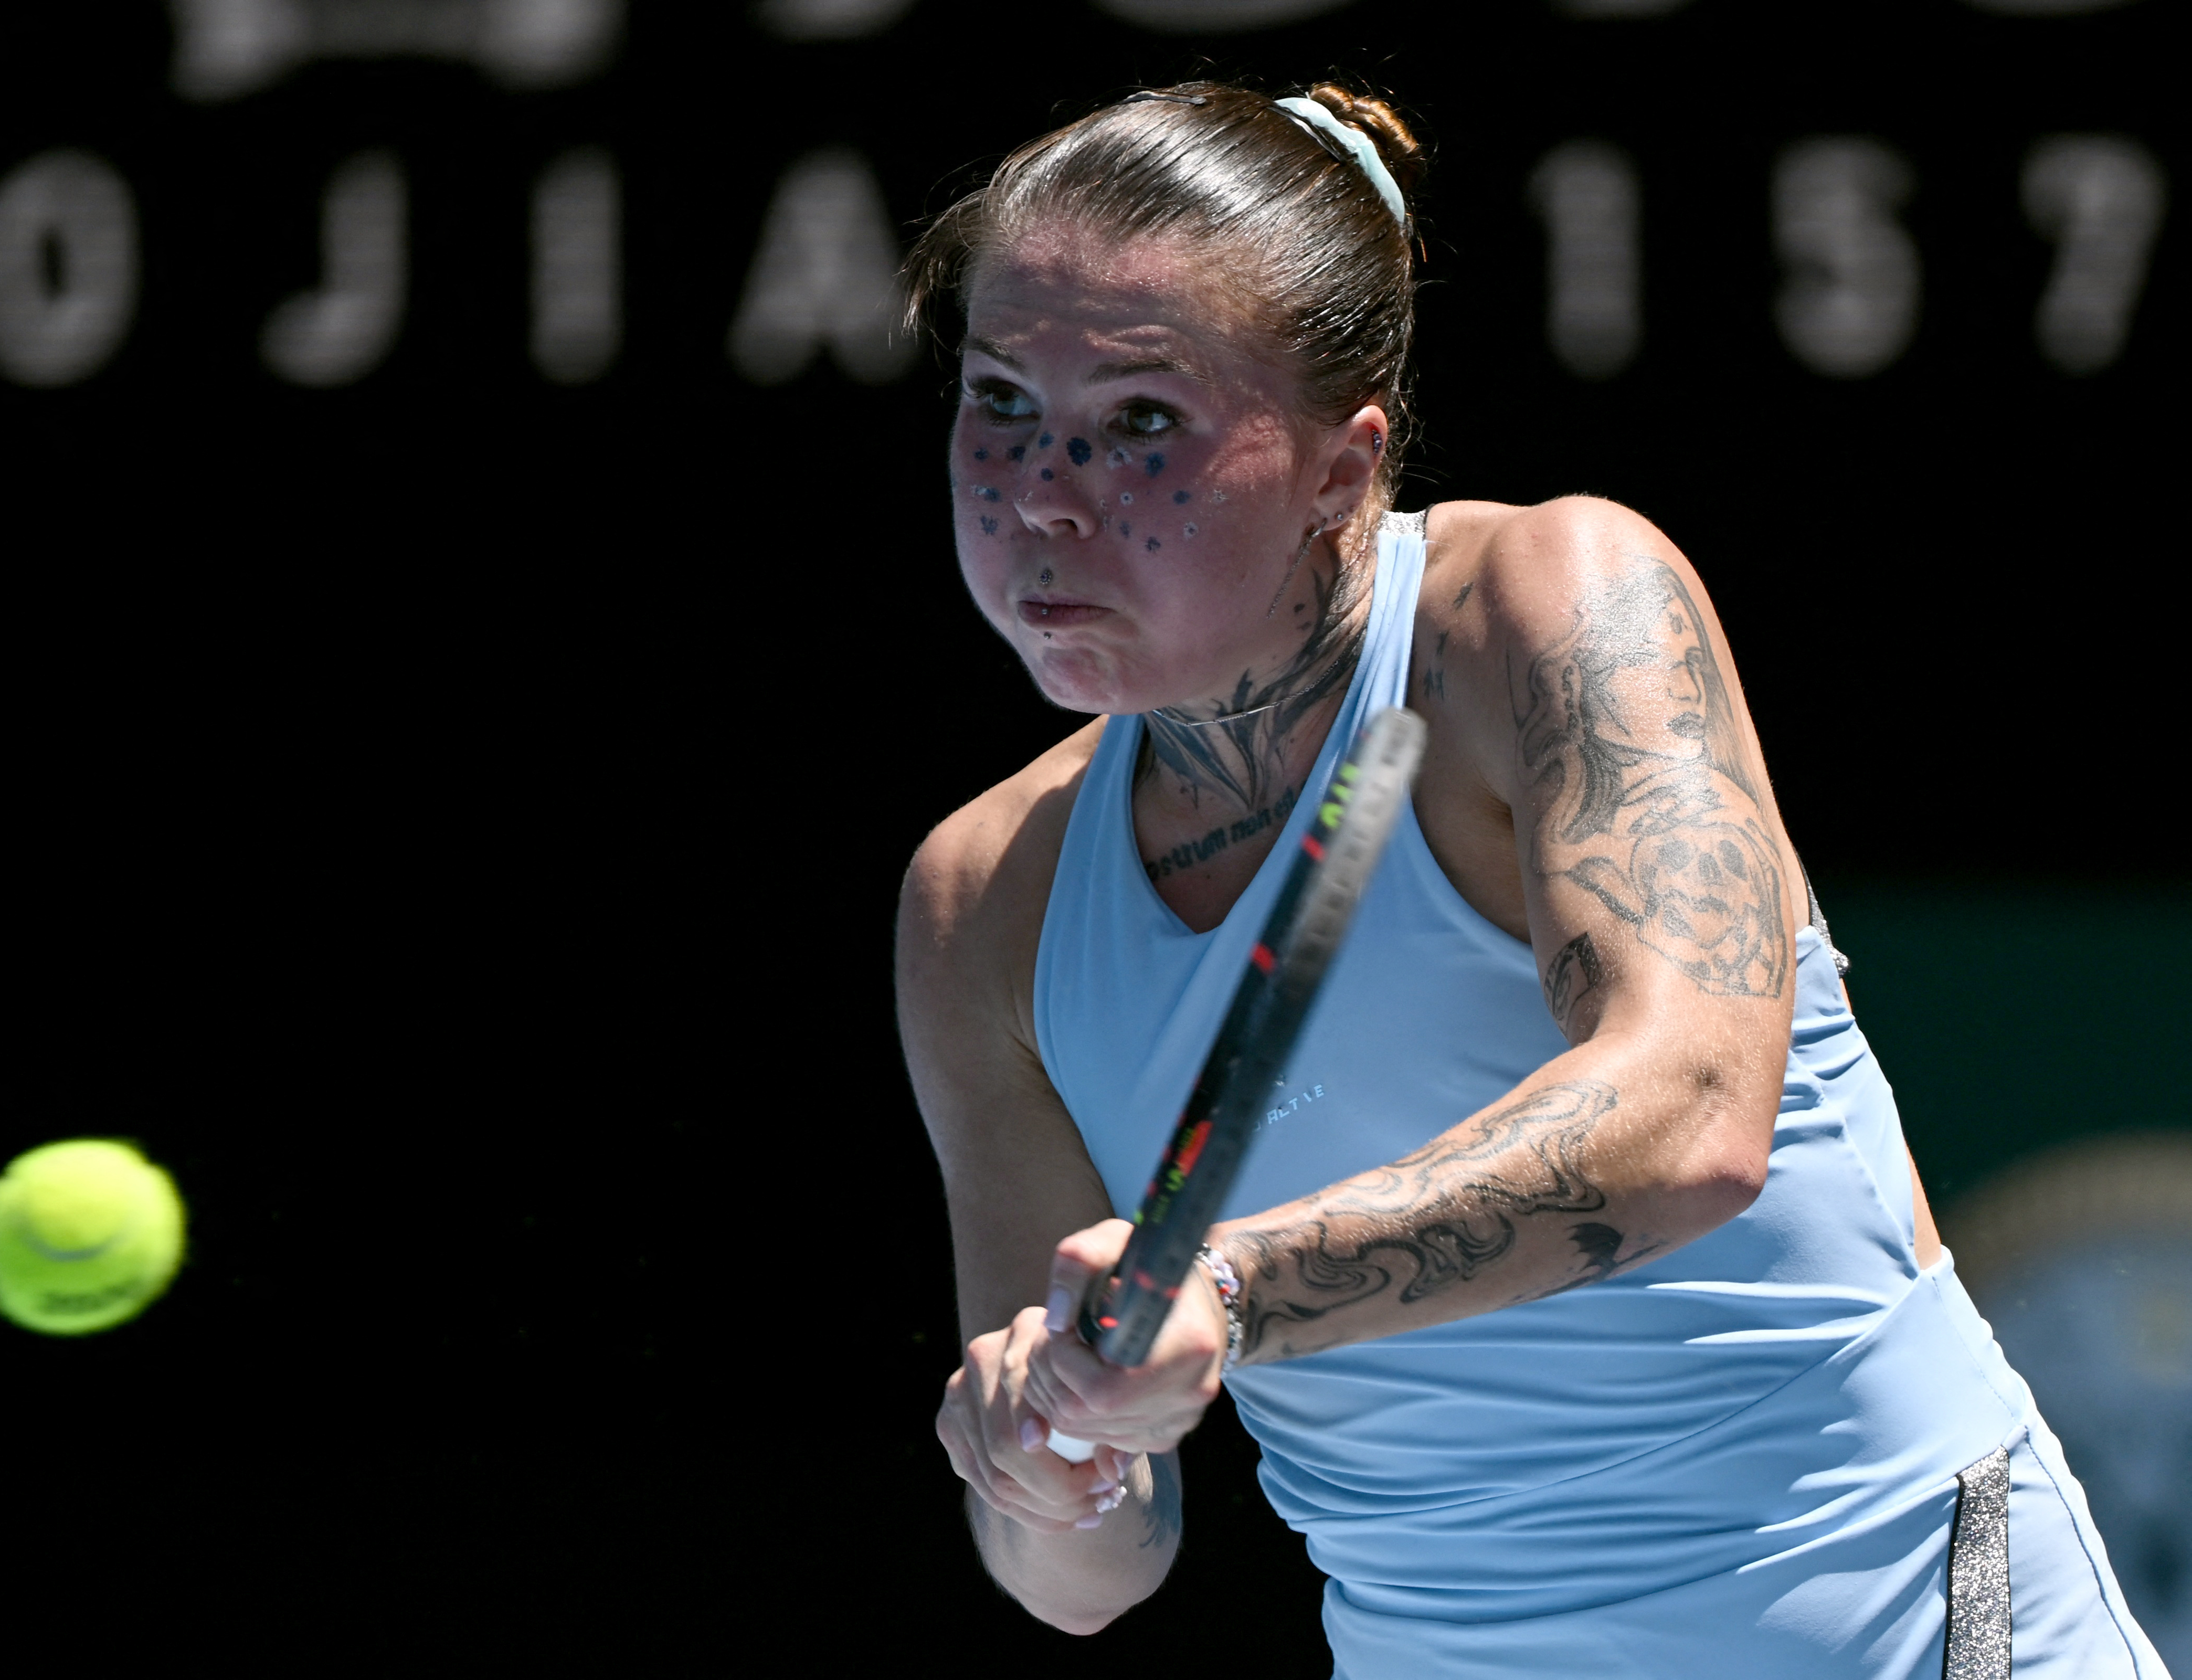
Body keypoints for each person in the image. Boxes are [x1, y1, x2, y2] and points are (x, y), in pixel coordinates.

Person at [895, 80, 2168, 1677]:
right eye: (1001, 398)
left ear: (1341, 472)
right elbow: (1084, 1574)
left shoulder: (1547, 607)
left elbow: (1692, 1111)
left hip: (1904, 1638)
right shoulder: (979, 903)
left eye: (1141, 418)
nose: (1041, 491)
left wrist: (1230, 1283)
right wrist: (1044, 1452)